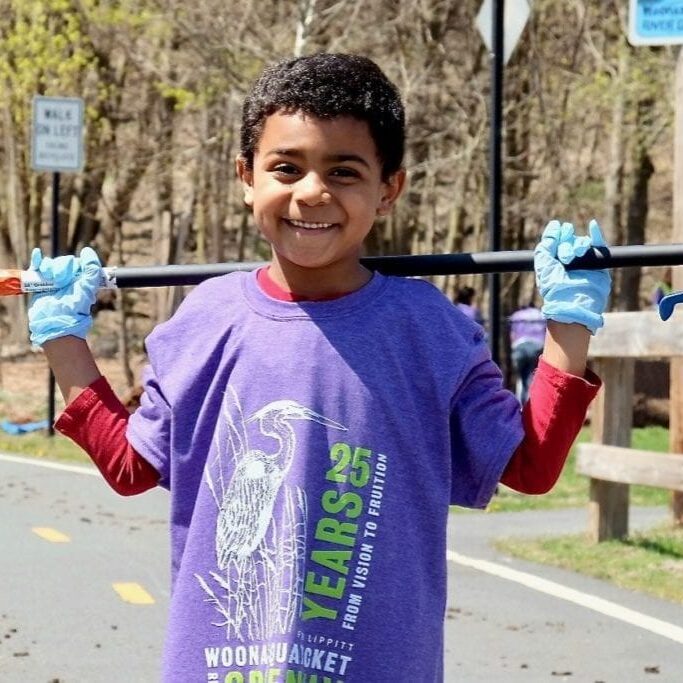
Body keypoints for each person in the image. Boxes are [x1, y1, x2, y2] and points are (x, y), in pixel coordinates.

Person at [27, 54, 610, 683]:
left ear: (389, 189)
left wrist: (568, 326)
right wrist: (64, 339)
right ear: (246, 176)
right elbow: (131, 465)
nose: (312, 192)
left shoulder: (430, 329)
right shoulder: (205, 319)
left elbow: (529, 466)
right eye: (286, 167)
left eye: (344, 171)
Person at [509, 300, 547, 403]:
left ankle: (520, 405)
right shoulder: (540, 315)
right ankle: (530, 404)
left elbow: (512, 335)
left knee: (521, 378)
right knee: (532, 376)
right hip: (536, 347)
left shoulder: (516, 315)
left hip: (519, 346)